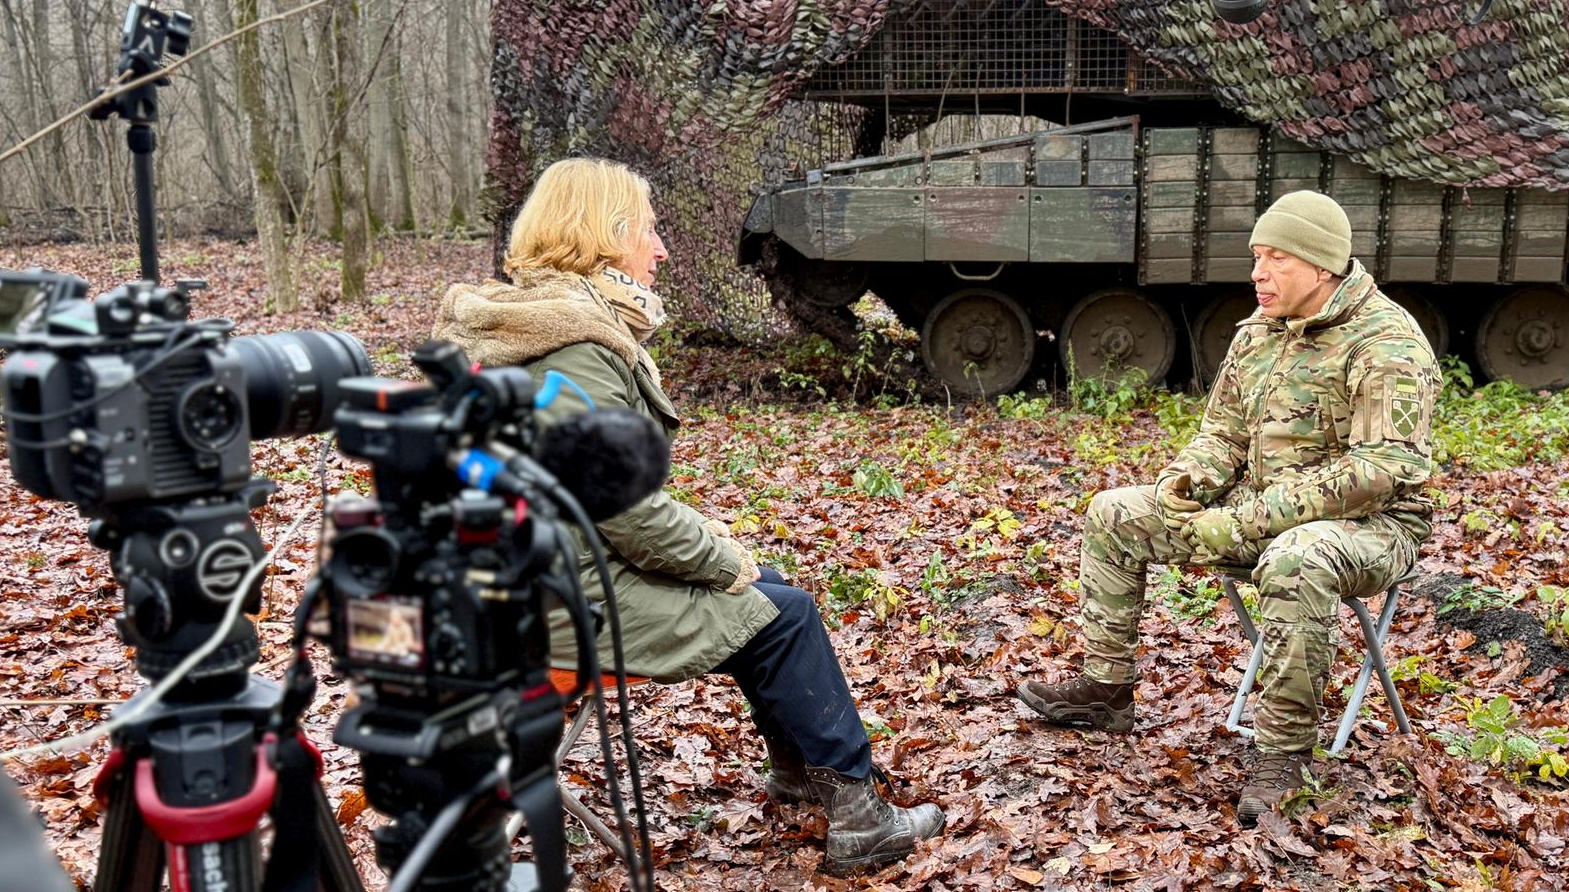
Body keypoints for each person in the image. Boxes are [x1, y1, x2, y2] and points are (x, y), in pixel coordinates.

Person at [432, 157, 943, 874]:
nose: (662, 249)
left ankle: (802, 774)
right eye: (648, 230)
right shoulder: (573, 351)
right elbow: (625, 511)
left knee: (772, 591)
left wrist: (717, 550)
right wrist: (720, 557)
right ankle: (860, 820)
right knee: (785, 615)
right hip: (562, 603)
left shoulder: (532, 329)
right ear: (603, 236)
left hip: (523, 580)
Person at [1016, 190, 1441, 825]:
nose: (1257, 274)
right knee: (1113, 513)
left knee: (1298, 558)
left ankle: (1285, 755)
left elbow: (1379, 472)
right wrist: (1186, 481)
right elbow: (1223, 434)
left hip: (1371, 526)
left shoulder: (1387, 343)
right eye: (1256, 257)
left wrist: (1245, 520)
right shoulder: (1261, 332)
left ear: (1322, 266)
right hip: (1259, 511)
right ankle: (1106, 690)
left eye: (1276, 259)